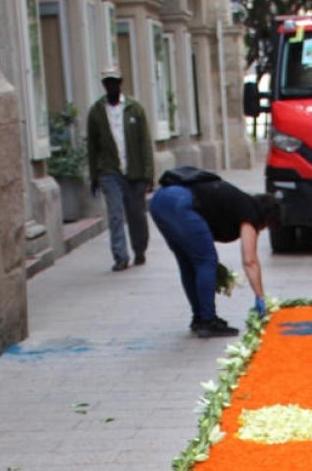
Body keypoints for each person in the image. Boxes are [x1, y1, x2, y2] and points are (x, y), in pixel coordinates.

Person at [149, 169, 280, 337]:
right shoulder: (251, 211)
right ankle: (208, 321)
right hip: (181, 203)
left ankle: (199, 317)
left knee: (188, 262)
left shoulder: (239, 201)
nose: (261, 231)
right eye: (265, 227)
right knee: (206, 261)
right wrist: (260, 297)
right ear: (266, 218)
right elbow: (250, 260)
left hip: (160, 200)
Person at [86, 70, 155, 272]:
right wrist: (94, 176)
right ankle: (120, 256)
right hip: (109, 171)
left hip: (135, 171)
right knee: (115, 214)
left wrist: (148, 174)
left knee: (136, 215)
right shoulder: (96, 112)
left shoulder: (135, 109)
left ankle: (139, 249)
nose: (112, 86)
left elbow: (145, 144)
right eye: (108, 83)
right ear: (104, 85)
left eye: (115, 82)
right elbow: (92, 147)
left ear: (121, 83)